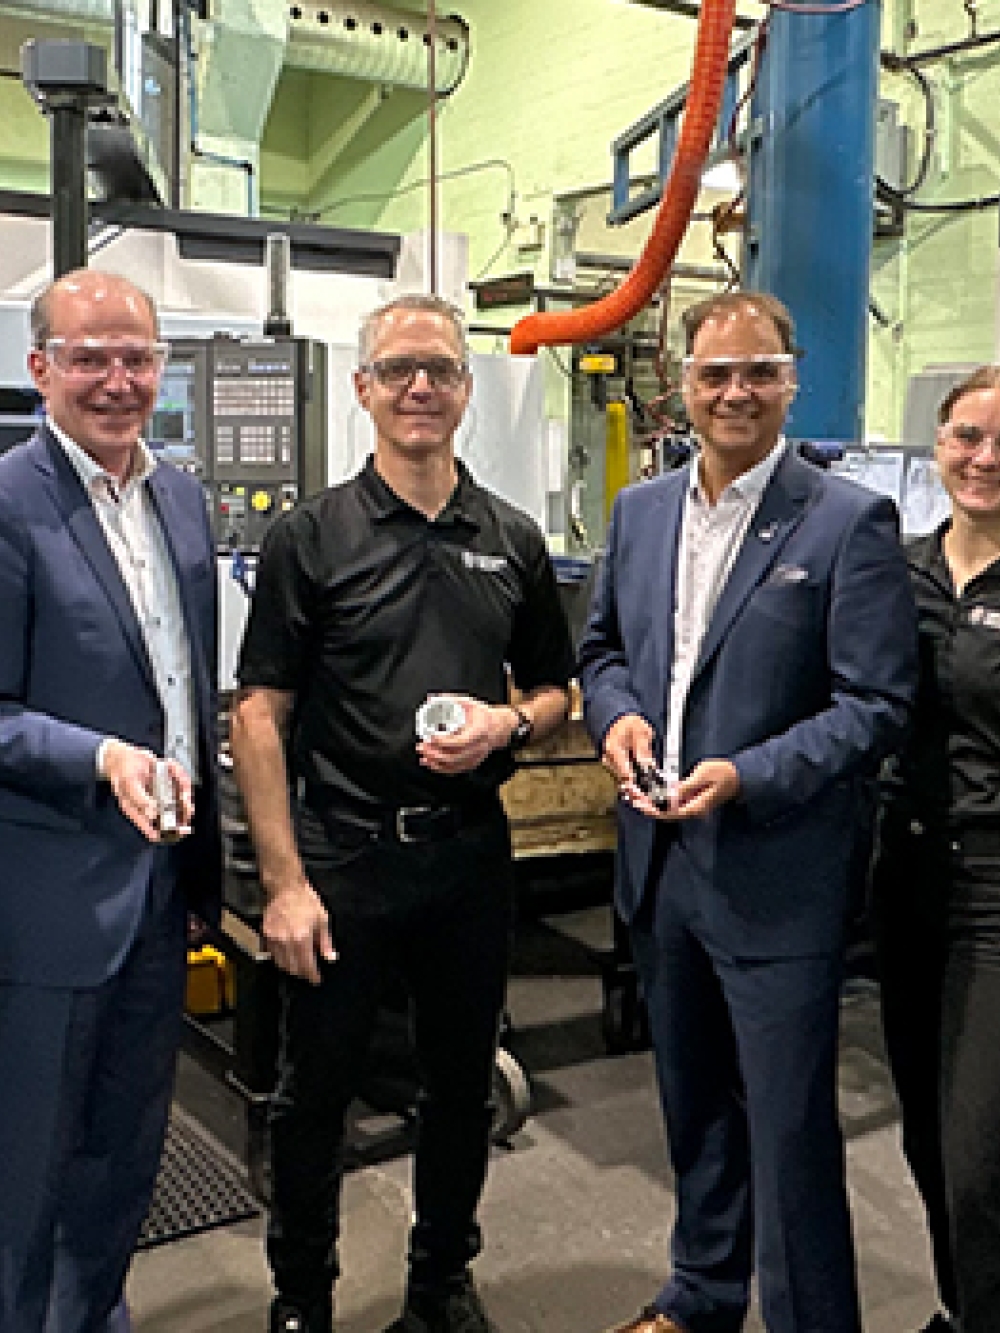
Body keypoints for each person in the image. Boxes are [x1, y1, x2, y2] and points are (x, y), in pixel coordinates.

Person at [229, 293, 574, 1333]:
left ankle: (439, 1285)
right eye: (398, 369)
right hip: (341, 864)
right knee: (314, 1095)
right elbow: (259, 713)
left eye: (439, 368)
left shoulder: (510, 539)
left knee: (459, 1088)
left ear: (465, 390)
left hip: (467, 861)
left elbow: (557, 691)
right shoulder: (311, 535)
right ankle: (303, 1298)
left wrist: (503, 723)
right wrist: (284, 886)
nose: (419, 386)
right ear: (363, 389)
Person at [578, 289, 918, 1333]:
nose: (737, 392)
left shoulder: (845, 519)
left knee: (788, 1128)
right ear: (683, 385)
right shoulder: (639, 513)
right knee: (693, 1110)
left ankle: (812, 1318)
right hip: (660, 865)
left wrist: (746, 773)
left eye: (758, 372)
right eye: (716, 373)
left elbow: (874, 705)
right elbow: (602, 653)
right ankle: (703, 1292)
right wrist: (618, 722)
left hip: (773, 873)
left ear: (790, 380)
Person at [0, 269, 221, 1332]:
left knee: (124, 1152)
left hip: (160, 884)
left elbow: (182, 680)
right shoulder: (8, 504)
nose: (117, 379)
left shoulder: (180, 497)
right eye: (89, 356)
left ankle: (92, 1316)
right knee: (26, 1166)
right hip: (49, 897)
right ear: (40, 368)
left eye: (136, 355)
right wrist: (102, 758)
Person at [871, 365, 1000, 1333]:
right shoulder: (898, 567)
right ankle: (961, 1308)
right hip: (903, 884)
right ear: (937, 444)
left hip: (995, 897)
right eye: (965, 435)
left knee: (978, 1155)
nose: (984, 458)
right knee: (922, 1131)